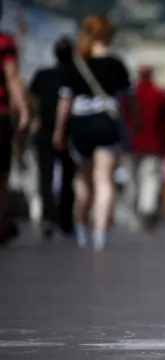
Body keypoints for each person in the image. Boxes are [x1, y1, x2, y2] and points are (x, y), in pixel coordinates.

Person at [52, 15, 134, 251]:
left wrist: (59, 131)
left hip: (81, 126)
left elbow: (64, 102)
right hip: (107, 123)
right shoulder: (116, 64)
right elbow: (129, 98)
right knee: (104, 179)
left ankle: (81, 229)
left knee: (83, 181)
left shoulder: (75, 65)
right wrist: (134, 123)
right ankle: (100, 233)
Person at [28, 36, 76, 238]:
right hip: (70, 131)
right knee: (68, 177)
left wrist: (34, 118)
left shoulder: (43, 75)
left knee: (45, 176)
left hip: (44, 130)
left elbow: (29, 98)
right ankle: (66, 219)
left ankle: (48, 217)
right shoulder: (75, 75)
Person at [121, 65, 165, 231]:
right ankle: (147, 209)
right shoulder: (160, 95)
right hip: (153, 144)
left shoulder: (130, 95)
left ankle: (134, 214)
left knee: (132, 180)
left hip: (131, 143)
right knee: (150, 177)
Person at [0, 0, 29, 245]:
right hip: (0, 113)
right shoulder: (5, 42)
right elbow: (11, 77)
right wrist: (24, 110)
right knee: (2, 173)